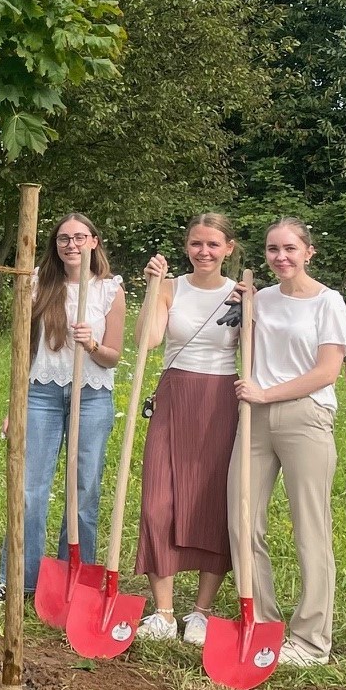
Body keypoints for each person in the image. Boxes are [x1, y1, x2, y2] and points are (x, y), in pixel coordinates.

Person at [0, 214, 125, 609]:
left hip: (91, 397)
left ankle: (73, 581)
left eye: (79, 237)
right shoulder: (36, 283)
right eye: (63, 238)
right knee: (29, 490)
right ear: (55, 244)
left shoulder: (109, 290)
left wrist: (91, 344)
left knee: (84, 491)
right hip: (41, 395)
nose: (71, 245)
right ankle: (18, 580)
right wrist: (15, 405)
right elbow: (23, 352)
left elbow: (113, 357)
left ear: (94, 242)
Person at [228, 218, 346, 667]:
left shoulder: (328, 302)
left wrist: (267, 393)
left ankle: (311, 639)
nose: (280, 257)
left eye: (290, 248)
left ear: (308, 252)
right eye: (272, 249)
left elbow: (327, 371)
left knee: (309, 527)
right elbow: (242, 349)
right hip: (254, 418)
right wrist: (239, 311)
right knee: (242, 519)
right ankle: (260, 621)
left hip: (305, 415)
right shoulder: (260, 299)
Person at [134, 212, 243, 643]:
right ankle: (163, 612)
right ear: (186, 246)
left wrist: (250, 308)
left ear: (228, 248)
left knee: (211, 502)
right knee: (157, 502)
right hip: (175, 394)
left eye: (213, 244)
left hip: (220, 400)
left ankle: (201, 611)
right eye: (197, 243)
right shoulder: (169, 288)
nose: (204, 252)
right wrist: (151, 289)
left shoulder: (241, 293)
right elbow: (147, 340)